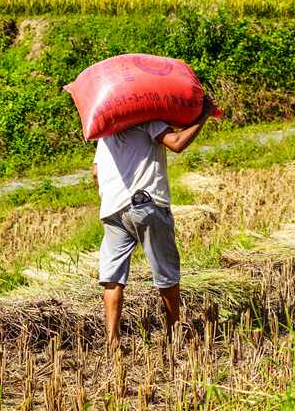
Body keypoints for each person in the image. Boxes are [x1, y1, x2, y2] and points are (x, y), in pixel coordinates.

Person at [92, 94, 217, 351]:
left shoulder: (105, 134)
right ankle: (174, 334)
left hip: (112, 208)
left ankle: (112, 340)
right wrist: (204, 114)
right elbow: (177, 143)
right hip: (146, 203)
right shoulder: (148, 120)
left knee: (113, 277)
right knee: (166, 272)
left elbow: (95, 172)